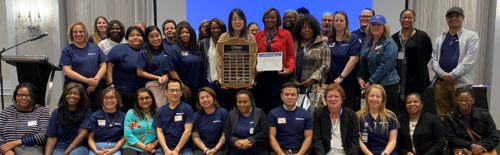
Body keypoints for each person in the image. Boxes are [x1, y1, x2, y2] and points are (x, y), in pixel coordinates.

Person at [431, 7, 479, 119]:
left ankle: (461, 137)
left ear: (463, 18)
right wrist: (444, 75)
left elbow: (469, 60)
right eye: (450, 16)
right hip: (441, 83)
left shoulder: (471, 36)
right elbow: (434, 60)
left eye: (457, 16)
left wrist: (451, 75)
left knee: (462, 113)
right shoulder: (440, 38)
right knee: (441, 115)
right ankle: (445, 136)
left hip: (460, 83)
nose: (453, 18)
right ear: (446, 19)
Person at [59, 22, 108, 112]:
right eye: (75, 32)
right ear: (71, 34)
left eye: (81, 31)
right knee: (74, 113)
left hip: (95, 89)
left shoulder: (95, 48)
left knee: (96, 114)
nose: (78, 34)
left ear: (85, 33)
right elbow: (67, 71)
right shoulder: (67, 50)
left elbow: (103, 66)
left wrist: (94, 82)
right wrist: (87, 81)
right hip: (74, 89)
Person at [391, 9, 433, 113]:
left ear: (414, 20)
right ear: (399, 20)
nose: (406, 20)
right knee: (400, 107)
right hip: (399, 78)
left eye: (409, 17)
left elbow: (428, 54)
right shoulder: (394, 37)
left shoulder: (422, 36)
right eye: (404, 17)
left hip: (416, 78)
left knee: (415, 105)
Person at [255, 7, 295, 114]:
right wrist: (255, 66)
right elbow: (254, 56)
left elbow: (291, 55)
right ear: (263, 19)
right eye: (267, 17)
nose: (269, 20)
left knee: (277, 105)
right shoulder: (258, 35)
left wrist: (289, 69)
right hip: (262, 76)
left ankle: (277, 129)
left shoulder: (286, 34)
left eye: (272, 17)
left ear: (277, 20)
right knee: (262, 104)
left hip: (280, 76)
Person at [357, 15, 400, 114]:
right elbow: (360, 61)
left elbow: (385, 65)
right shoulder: (367, 42)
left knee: (386, 115)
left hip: (387, 85)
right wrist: (359, 78)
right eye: (373, 24)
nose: (375, 27)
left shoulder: (390, 43)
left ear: (384, 27)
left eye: (379, 25)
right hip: (369, 86)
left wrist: (371, 82)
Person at [217, 8, 258, 111]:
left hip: (245, 79)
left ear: (244, 20)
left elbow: (253, 58)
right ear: (230, 21)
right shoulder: (223, 37)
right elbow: (218, 58)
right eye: (234, 19)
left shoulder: (250, 38)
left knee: (246, 109)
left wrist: (252, 77)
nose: (237, 22)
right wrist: (220, 76)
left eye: (240, 19)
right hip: (227, 79)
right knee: (227, 109)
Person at [444, 87, 499, 155]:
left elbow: (494, 138)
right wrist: (471, 145)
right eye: (460, 100)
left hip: (482, 149)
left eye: (467, 100)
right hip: (461, 149)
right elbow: (451, 139)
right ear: (456, 100)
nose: (463, 103)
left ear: (473, 100)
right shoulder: (449, 117)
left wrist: (475, 148)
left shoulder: (484, 115)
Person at [0, 83, 49, 155]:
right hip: (6, 150)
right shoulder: (7, 111)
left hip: (30, 150)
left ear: (33, 96)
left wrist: (16, 143)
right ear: (15, 96)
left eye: (27, 95)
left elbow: (44, 135)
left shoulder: (41, 111)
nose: (23, 98)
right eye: (19, 95)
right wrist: (6, 150)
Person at [45, 82, 93, 155]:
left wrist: (66, 153)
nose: (72, 96)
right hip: (61, 145)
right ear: (65, 95)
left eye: (76, 94)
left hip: (79, 145)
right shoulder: (56, 112)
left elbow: (82, 135)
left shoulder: (86, 112)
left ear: (80, 96)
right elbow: (52, 138)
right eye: (69, 93)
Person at [312, 83, 359, 155]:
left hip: (344, 152)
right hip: (326, 152)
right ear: (326, 98)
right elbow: (317, 139)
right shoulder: (319, 114)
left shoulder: (351, 114)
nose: (333, 99)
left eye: (336, 96)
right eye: (330, 96)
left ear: (342, 99)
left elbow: (354, 139)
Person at [328, 11, 361, 111]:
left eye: (341, 20)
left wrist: (341, 77)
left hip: (347, 82)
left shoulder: (352, 38)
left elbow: (354, 59)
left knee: (347, 111)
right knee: (331, 109)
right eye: (336, 20)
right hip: (330, 81)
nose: (338, 22)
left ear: (346, 23)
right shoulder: (329, 39)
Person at [106, 26, 145, 112]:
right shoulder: (119, 49)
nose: (135, 37)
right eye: (132, 35)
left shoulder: (147, 49)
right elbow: (108, 65)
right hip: (121, 92)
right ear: (127, 38)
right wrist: (110, 83)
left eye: (138, 35)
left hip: (142, 92)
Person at [168, 22, 204, 110]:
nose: (185, 34)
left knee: (198, 112)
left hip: (199, 87)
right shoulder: (174, 49)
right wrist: (182, 86)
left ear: (191, 34)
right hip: (184, 88)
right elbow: (171, 70)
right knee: (185, 112)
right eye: (182, 33)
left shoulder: (197, 47)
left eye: (187, 32)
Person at [291, 14, 330, 96]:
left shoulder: (322, 44)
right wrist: (291, 78)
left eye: (309, 27)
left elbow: (325, 66)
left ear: (314, 29)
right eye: (304, 27)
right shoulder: (295, 45)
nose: (307, 30)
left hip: (316, 89)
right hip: (296, 88)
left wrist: (312, 79)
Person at [268, 82, 312, 155]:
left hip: (300, 151)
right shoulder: (273, 113)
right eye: (286, 94)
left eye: (293, 94)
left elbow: (308, 137)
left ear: (297, 96)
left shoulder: (306, 114)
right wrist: (281, 153)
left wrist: (300, 154)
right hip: (279, 151)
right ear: (281, 96)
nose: (289, 97)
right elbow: (271, 136)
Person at [154, 79, 195, 155]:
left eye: (177, 90)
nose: (174, 93)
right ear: (166, 92)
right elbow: (159, 132)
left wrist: (176, 150)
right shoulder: (160, 110)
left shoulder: (187, 109)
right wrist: (166, 150)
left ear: (181, 92)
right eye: (171, 90)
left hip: (184, 148)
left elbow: (188, 131)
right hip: (165, 148)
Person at [357, 84, 399, 155]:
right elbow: (359, 141)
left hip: (387, 151)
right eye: (372, 95)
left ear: (382, 99)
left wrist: (385, 153)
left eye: (378, 96)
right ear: (367, 97)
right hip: (366, 151)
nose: (374, 99)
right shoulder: (358, 115)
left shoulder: (391, 116)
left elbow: (392, 140)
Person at [224, 90, 269, 155]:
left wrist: (250, 140)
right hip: (235, 151)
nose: (242, 105)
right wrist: (235, 142)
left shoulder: (259, 112)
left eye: (245, 102)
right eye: (239, 102)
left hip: (256, 150)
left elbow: (265, 132)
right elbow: (227, 133)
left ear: (250, 102)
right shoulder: (232, 114)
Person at [136, 26, 171, 108]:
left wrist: (166, 76)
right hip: (153, 85)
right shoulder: (143, 52)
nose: (155, 39)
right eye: (151, 37)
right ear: (147, 38)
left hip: (168, 84)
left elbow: (172, 67)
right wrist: (158, 77)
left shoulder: (166, 50)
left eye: (157, 35)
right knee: (158, 110)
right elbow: (139, 72)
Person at [88, 87, 126, 155]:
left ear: (118, 100)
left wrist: (113, 150)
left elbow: (123, 138)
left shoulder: (123, 116)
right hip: (97, 147)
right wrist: (97, 151)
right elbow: (90, 138)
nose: (109, 100)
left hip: (115, 148)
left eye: (112, 97)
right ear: (102, 100)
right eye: (106, 98)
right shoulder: (95, 115)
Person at [122, 88, 159, 155]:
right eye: (141, 99)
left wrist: (154, 144)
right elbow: (127, 135)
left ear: (152, 99)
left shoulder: (158, 114)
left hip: (150, 148)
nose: (144, 101)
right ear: (137, 101)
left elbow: (163, 133)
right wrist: (144, 147)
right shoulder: (131, 113)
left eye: (147, 98)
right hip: (131, 146)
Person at [192, 87, 228, 155]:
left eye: (207, 96)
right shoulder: (196, 115)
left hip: (220, 148)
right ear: (199, 101)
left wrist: (215, 149)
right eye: (202, 98)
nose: (205, 99)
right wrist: (206, 150)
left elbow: (224, 135)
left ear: (213, 98)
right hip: (202, 148)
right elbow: (195, 136)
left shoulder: (223, 113)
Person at [200, 18, 227, 102]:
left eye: (218, 28)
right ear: (209, 29)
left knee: (224, 103)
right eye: (213, 28)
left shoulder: (227, 42)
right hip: (209, 80)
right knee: (212, 103)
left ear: (222, 29)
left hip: (225, 79)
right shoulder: (204, 42)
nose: (215, 30)